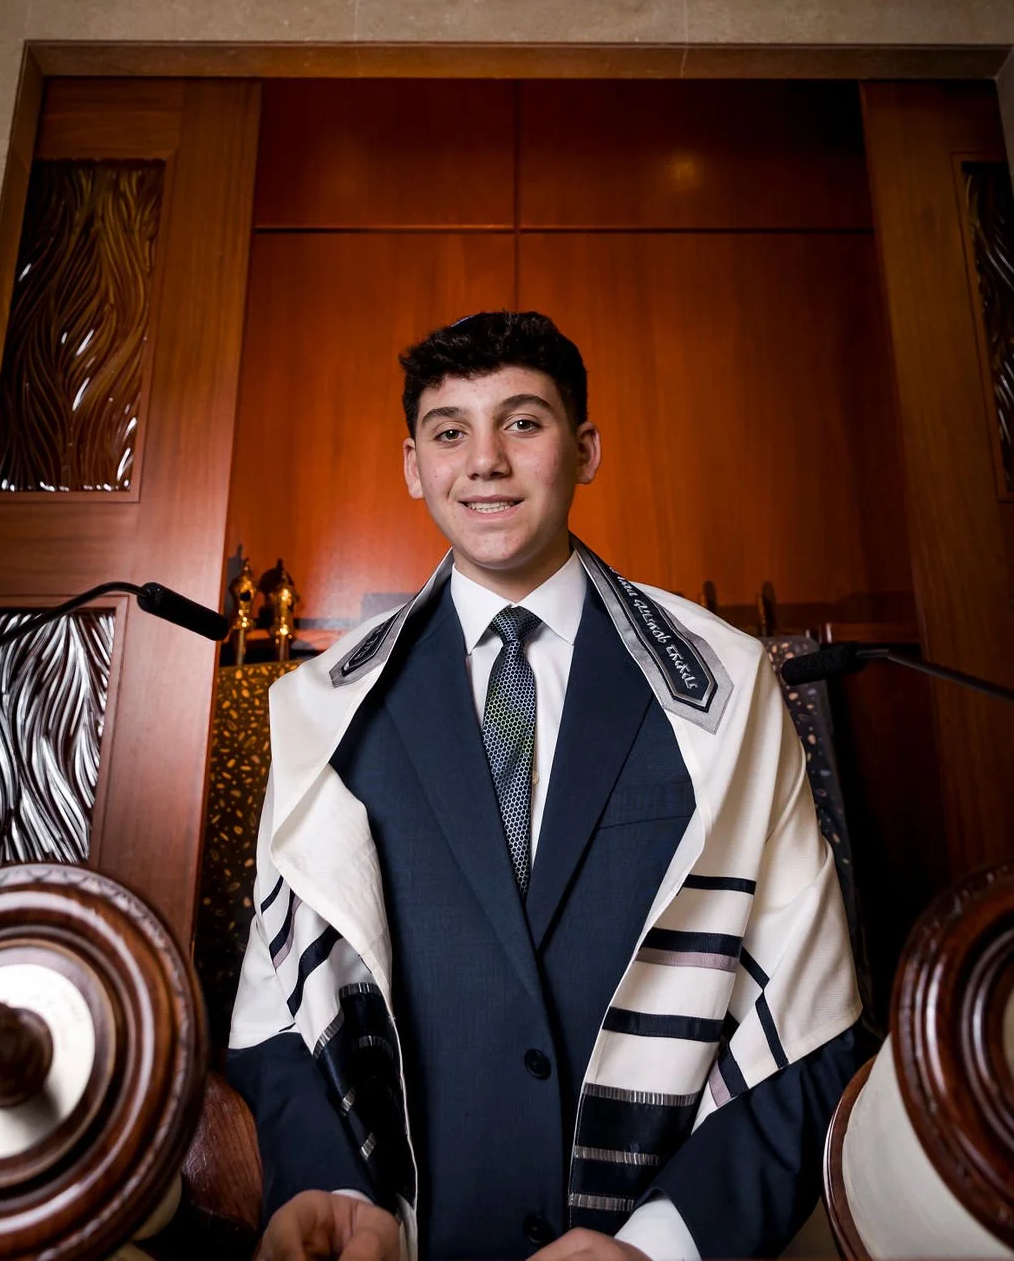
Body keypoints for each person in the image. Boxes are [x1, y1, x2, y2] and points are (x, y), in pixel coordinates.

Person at [226, 311, 864, 1261]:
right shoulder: (322, 709)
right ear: (414, 466)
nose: (484, 461)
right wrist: (335, 1187)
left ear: (586, 450)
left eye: (522, 423)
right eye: (450, 432)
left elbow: (810, 1016)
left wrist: (662, 1244)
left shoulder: (728, 688)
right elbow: (280, 1001)